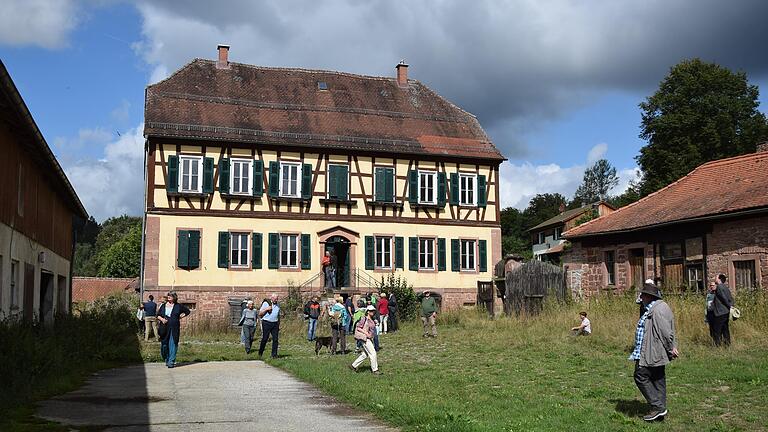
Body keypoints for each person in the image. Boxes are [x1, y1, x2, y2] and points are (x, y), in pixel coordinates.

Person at [629, 283, 679, 422]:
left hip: (651, 351)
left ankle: (658, 407)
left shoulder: (657, 310)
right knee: (658, 379)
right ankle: (660, 410)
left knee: (640, 376)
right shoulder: (654, 308)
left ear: (648, 296)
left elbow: (666, 332)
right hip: (650, 350)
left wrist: (671, 347)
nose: (640, 297)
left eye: (642, 294)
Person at [157, 291, 191, 368]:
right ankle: (166, 358)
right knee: (164, 345)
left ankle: (171, 361)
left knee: (173, 343)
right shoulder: (163, 306)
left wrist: (180, 317)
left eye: (171, 296)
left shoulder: (178, 306)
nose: (169, 297)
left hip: (174, 327)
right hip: (164, 327)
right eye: (168, 295)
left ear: (174, 297)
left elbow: (187, 311)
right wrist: (162, 320)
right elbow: (158, 315)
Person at [350, 305, 380, 375]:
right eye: (371, 311)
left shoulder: (372, 319)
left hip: (369, 338)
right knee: (373, 353)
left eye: (373, 311)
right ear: (368, 312)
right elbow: (358, 328)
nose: (373, 312)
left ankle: (353, 365)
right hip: (365, 338)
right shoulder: (364, 319)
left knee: (366, 354)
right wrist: (366, 333)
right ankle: (375, 370)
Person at [710, 274, 734, 346]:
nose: (715, 278)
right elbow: (730, 298)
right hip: (725, 312)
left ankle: (717, 345)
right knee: (725, 329)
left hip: (720, 312)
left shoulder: (719, 287)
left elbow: (724, 298)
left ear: (719, 279)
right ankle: (727, 344)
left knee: (717, 330)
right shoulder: (725, 287)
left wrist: (730, 306)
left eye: (716, 277)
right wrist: (731, 305)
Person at [257, 293, 281, 359]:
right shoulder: (266, 303)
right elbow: (260, 313)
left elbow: (278, 315)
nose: (276, 300)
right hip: (266, 322)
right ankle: (260, 352)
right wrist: (266, 309)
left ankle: (274, 355)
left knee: (275, 339)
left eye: (277, 299)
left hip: (275, 323)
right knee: (265, 338)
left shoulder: (278, 305)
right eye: (275, 299)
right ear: (271, 298)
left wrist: (279, 324)